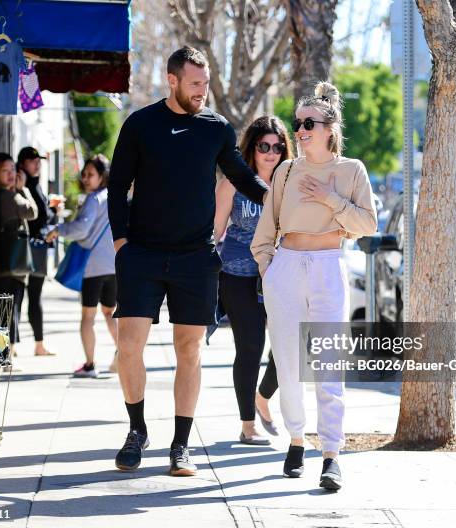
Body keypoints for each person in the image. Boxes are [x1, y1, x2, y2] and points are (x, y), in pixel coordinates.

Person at [108, 46, 268, 476]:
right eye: (195, 83)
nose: (203, 91)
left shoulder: (215, 129)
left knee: (190, 351)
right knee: (128, 347)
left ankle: (181, 445)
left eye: (206, 83)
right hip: (142, 253)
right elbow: (118, 184)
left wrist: (277, 201)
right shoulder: (140, 124)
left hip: (196, 257)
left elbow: (240, 176)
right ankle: (137, 431)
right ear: (172, 80)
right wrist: (122, 243)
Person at [251, 81, 377, 490]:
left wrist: (329, 198)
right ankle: (295, 440)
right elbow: (265, 229)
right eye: (298, 123)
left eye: (310, 123)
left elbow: (366, 225)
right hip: (285, 267)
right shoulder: (285, 171)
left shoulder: (350, 170)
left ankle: (331, 455)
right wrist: (269, 267)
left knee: (327, 365)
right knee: (287, 363)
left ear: (329, 128)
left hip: (327, 266)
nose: (301, 130)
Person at [214, 116, 293, 444]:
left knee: (288, 349)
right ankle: (248, 425)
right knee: (250, 348)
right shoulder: (233, 182)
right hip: (239, 275)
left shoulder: (291, 184)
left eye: (278, 147)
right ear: (253, 147)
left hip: (281, 276)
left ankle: (262, 396)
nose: (271, 152)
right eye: (264, 146)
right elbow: (215, 231)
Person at [46, 155, 117, 378]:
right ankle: (123, 355)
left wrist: (59, 229)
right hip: (113, 265)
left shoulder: (94, 199)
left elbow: (82, 231)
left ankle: (89, 365)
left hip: (93, 267)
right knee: (110, 312)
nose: (85, 178)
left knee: (88, 316)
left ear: (102, 176)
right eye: (84, 174)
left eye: (90, 174)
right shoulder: (115, 197)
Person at [0, 153, 38, 357]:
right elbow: (31, 212)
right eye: (6, 170)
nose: (12, 174)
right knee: (7, 313)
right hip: (8, 266)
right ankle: (5, 356)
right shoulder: (7, 196)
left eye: (13, 169)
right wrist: (23, 189)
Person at [18, 146, 58, 357]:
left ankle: (39, 344)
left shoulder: (35, 185)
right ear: (22, 163)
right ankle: (14, 346)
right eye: (33, 160)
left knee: (33, 296)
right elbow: (37, 216)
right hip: (26, 247)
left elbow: (43, 215)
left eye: (39, 161)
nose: (37, 164)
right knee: (18, 296)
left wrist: (52, 210)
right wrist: (50, 212)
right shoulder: (23, 185)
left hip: (37, 248)